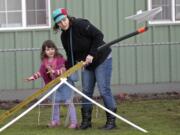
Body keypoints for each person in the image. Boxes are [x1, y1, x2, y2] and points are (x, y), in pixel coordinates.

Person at [52, 8, 117, 130]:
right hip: (87, 64)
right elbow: (70, 55)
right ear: (57, 25)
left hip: (102, 58)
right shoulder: (64, 36)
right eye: (59, 22)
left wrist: (91, 54)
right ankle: (86, 121)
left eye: (64, 20)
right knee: (86, 92)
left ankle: (111, 121)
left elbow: (99, 35)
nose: (63, 23)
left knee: (104, 90)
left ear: (68, 17)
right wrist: (68, 71)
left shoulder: (80, 24)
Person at [26, 40, 78, 129]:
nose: (50, 51)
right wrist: (33, 77)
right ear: (44, 52)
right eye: (47, 49)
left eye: (52, 48)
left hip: (64, 84)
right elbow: (41, 72)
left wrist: (54, 71)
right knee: (55, 103)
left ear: (55, 49)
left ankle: (74, 122)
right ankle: (55, 121)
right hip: (54, 85)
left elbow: (63, 70)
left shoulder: (59, 58)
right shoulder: (45, 62)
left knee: (69, 102)